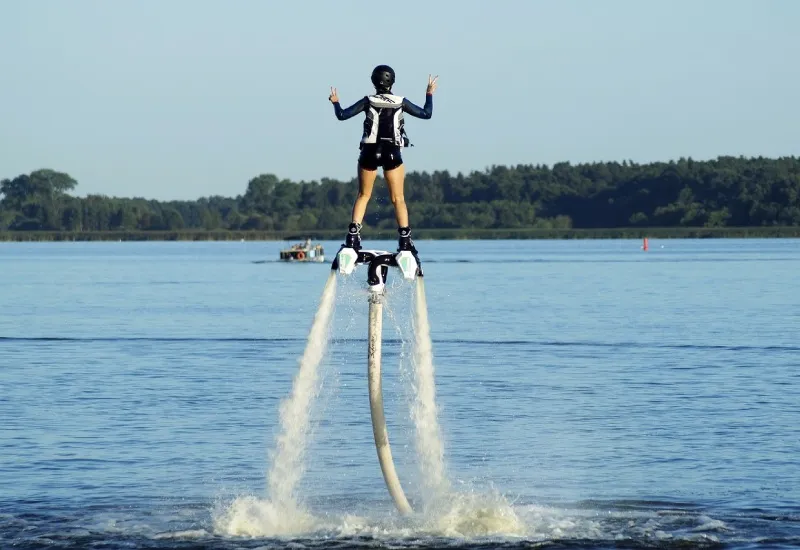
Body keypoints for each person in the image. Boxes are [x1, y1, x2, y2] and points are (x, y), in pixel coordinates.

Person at [329, 65, 438, 253]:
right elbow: (426, 114)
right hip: (392, 152)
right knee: (398, 198)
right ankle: (405, 240)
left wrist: (335, 102)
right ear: (392, 81)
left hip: (369, 152)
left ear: (373, 81)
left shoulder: (368, 101)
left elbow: (342, 115)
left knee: (363, 195)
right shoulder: (400, 101)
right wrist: (429, 94)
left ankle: (353, 237)